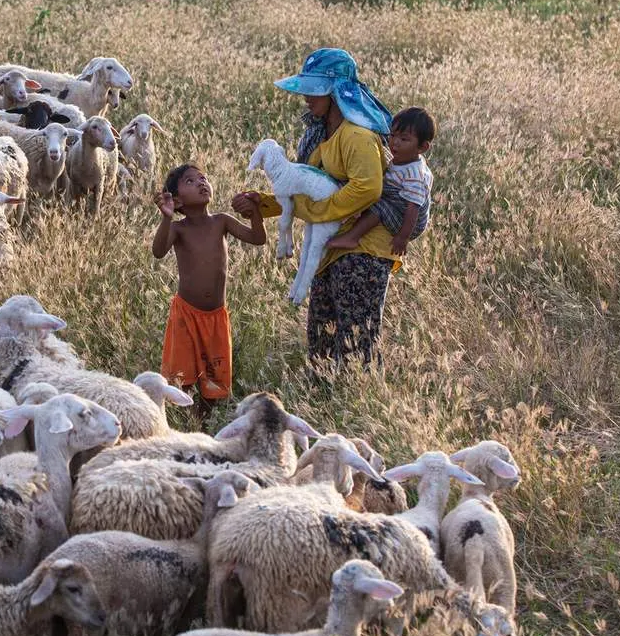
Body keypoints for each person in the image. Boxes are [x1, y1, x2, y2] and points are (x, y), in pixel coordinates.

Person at [234, 47, 395, 367]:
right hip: (330, 247)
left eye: (314, 90)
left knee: (354, 348)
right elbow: (305, 189)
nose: (306, 97)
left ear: (336, 91)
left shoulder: (357, 136)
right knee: (320, 347)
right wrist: (260, 205)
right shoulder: (318, 135)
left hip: (363, 251)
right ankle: (324, 405)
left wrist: (318, 213)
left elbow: (368, 188)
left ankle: (353, 409)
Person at [152, 163, 266, 429]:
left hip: (216, 318)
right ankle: (180, 425)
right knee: (184, 379)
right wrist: (166, 217)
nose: (202, 182)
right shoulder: (179, 228)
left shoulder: (222, 221)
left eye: (203, 178)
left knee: (213, 382)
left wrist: (255, 212)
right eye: (191, 181)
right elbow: (158, 251)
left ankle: (200, 426)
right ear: (177, 200)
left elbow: (257, 238)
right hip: (186, 316)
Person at [327, 107, 435, 255]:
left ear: (422, 147)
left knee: (378, 205)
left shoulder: (415, 175)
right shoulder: (403, 158)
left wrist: (403, 238)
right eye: (392, 135)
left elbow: (413, 209)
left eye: (404, 139)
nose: (395, 143)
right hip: (401, 207)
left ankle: (352, 237)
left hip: (409, 222)